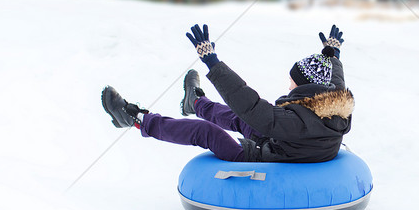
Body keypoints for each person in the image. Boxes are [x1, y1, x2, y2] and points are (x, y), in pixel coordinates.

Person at [100, 23, 354, 163]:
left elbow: (251, 105)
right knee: (237, 119)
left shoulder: (296, 122)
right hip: (285, 146)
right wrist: (332, 56)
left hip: (262, 159)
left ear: (305, 88)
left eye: (292, 82)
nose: (288, 86)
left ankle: (137, 120)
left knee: (206, 132)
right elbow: (336, 80)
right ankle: (195, 102)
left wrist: (213, 63)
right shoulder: (335, 105)